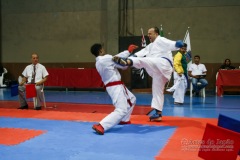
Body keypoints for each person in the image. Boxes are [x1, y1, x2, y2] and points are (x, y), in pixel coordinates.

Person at [112, 27, 184, 122]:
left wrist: (178, 44)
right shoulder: (150, 46)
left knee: (145, 61)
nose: (148, 35)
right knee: (157, 91)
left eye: (150, 33)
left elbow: (171, 44)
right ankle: (158, 114)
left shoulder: (160, 40)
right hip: (158, 71)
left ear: (156, 34)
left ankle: (128, 62)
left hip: (163, 64)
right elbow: (141, 53)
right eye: (148, 34)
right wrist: (133, 56)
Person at [90, 43, 137, 135]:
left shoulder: (99, 62)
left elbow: (123, 66)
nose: (104, 50)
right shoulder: (105, 58)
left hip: (114, 86)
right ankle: (101, 125)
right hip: (115, 87)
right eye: (102, 48)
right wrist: (128, 52)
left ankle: (124, 119)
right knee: (121, 109)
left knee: (132, 99)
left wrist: (129, 59)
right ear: (100, 51)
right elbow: (117, 57)